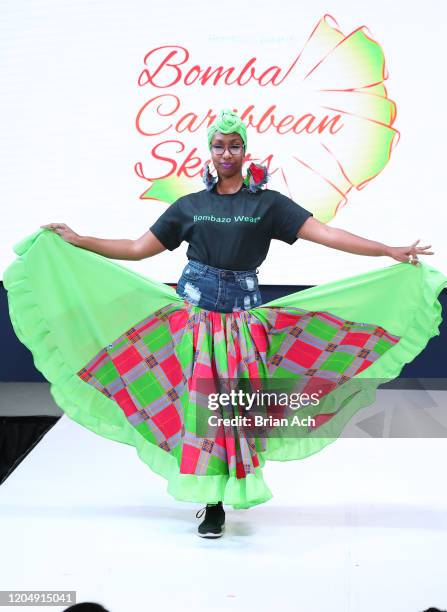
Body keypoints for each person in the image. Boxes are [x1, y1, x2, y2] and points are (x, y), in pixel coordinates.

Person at [5, 109, 444, 540]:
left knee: (233, 412)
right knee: (201, 415)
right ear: (209, 151)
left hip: (241, 328)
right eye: (219, 145)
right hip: (195, 326)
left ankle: (228, 489)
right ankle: (212, 505)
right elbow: (139, 249)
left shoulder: (268, 204)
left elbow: (326, 234)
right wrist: (79, 240)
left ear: (245, 150)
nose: (227, 152)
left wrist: (386, 249)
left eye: (235, 145)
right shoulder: (190, 206)